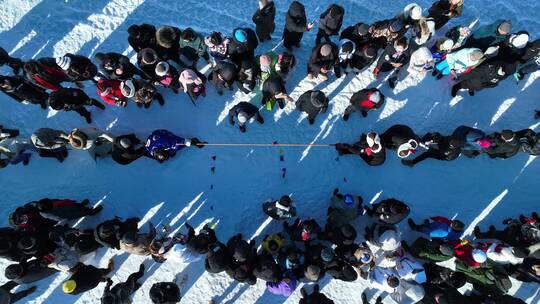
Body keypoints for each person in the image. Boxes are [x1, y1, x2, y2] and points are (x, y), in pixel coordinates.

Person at [451, 60, 516, 97]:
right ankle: (456, 87)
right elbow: (472, 74)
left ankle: (471, 89)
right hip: (474, 80)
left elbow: (497, 81)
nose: (505, 75)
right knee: (466, 84)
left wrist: (493, 85)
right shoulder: (488, 69)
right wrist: (459, 78)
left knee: (474, 87)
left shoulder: (503, 75)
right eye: (507, 73)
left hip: (481, 85)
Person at [34, 198, 102, 222]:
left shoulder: (45, 204)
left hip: (62, 206)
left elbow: (56, 200)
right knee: (77, 212)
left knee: (71, 205)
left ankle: (80, 205)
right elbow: (72, 215)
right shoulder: (55, 214)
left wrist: (68, 202)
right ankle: (90, 212)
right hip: (67, 214)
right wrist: (84, 212)